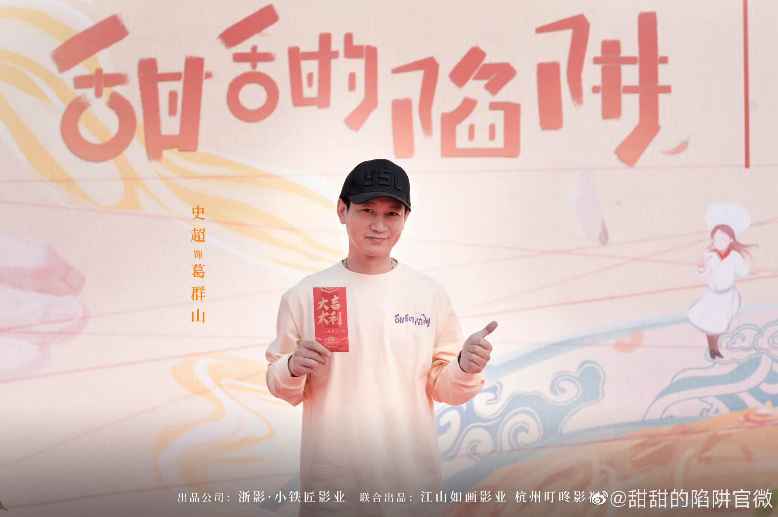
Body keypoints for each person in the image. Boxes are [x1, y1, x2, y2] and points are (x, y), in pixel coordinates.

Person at [265, 158, 497, 517]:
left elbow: (445, 388)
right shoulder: (307, 295)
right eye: (367, 210)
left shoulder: (428, 295)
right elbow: (280, 385)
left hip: (410, 488)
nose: (379, 225)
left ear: (405, 219)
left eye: (392, 214)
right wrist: (292, 367)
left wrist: (466, 367)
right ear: (342, 211)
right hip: (334, 489)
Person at [687, 202, 755, 360]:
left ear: (731, 239)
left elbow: (741, 271)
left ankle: (715, 348)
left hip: (727, 296)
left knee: (718, 325)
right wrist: (701, 265)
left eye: (723, 238)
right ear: (713, 240)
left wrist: (747, 269)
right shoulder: (710, 257)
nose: (719, 241)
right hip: (712, 297)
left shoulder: (735, 257)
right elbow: (702, 272)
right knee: (710, 325)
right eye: (716, 238)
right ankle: (712, 349)